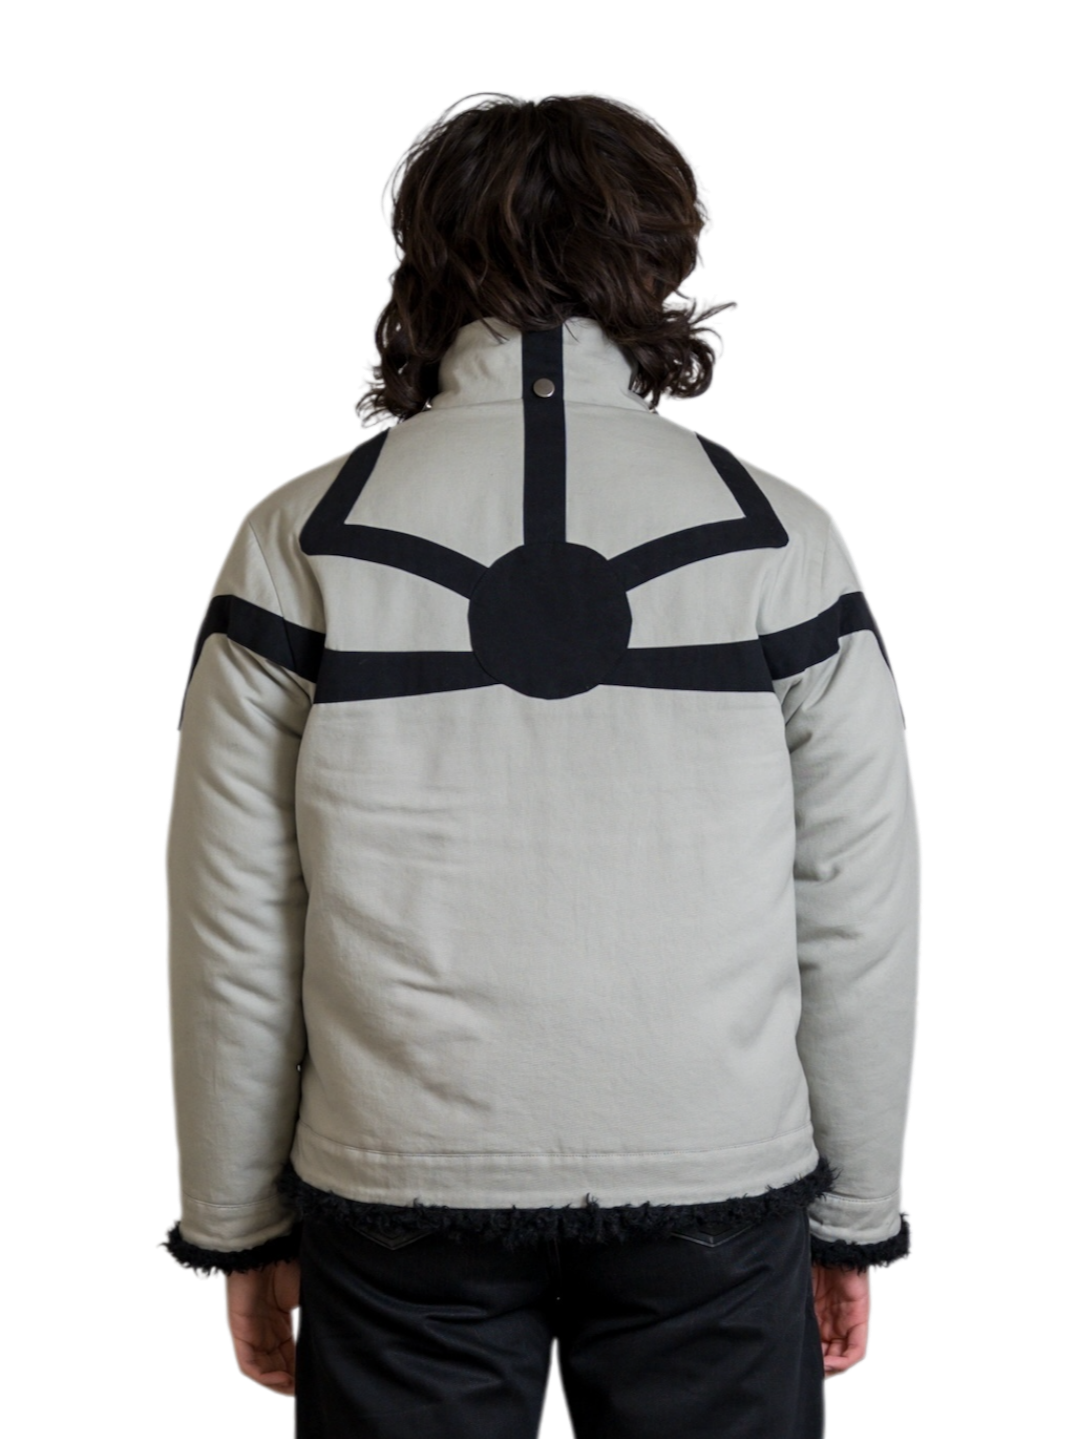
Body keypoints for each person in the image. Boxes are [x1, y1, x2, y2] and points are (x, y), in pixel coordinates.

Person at [158, 89, 923, 1437]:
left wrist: (238, 1223)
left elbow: (232, 917)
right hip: (716, 1169)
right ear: (662, 252)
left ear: (424, 254)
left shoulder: (299, 534)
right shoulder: (781, 535)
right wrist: (853, 1209)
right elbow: (858, 905)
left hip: (397, 1179)